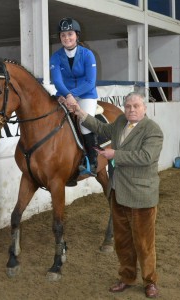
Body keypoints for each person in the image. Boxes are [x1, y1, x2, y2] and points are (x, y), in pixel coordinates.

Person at [66, 92, 163, 298]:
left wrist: (115, 154)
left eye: (136, 106)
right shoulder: (120, 122)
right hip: (118, 193)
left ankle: (150, 281)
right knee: (123, 242)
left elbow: (146, 157)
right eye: (128, 106)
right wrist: (80, 112)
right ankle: (127, 278)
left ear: (144, 108)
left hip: (141, 196)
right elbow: (101, 128)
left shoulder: (152, 130)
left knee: (144, 244)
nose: (131, 110)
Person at [50, 17, 99, 176]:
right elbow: (57, 80)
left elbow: (90, 82)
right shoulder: (56, 57)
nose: (66, 38)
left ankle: (92, 159)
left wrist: (72, 95)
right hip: (64, 95)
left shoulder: (88, 54)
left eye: (70, 34)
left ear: (77, 35)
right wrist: (66, 95)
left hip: (86, 95)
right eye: (63, 35)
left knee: (84, 124)